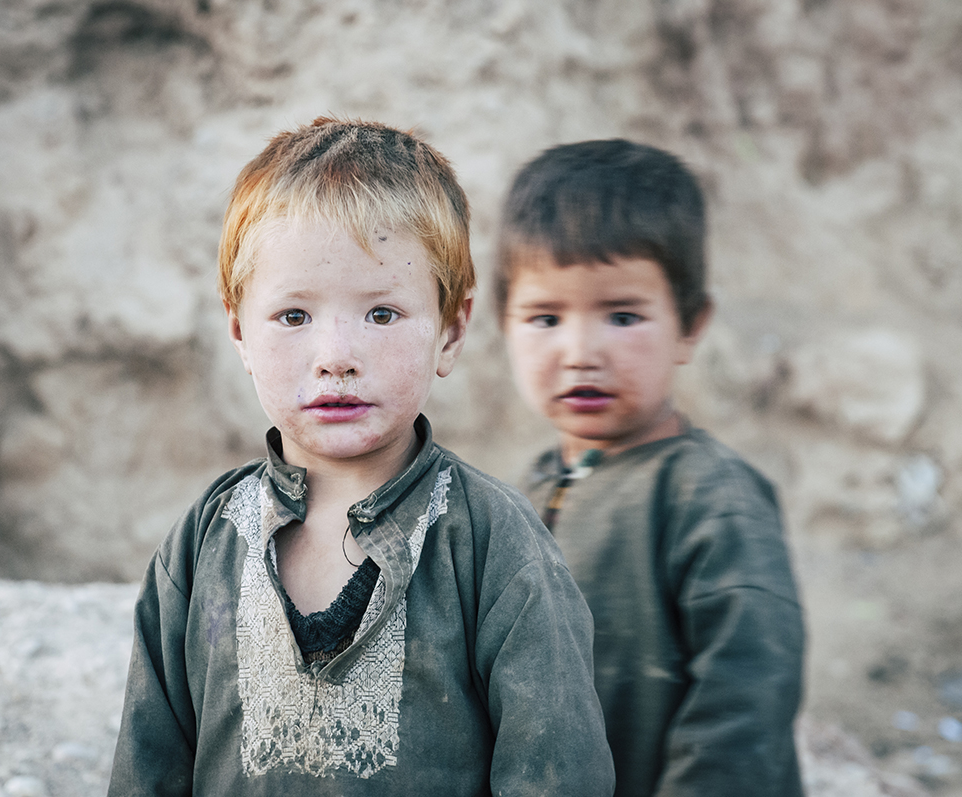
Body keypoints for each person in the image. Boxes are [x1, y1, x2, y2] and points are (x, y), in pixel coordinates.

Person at [108, 118, 616, 796]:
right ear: (240, 333)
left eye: (381, 313)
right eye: (294, 316)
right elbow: (148, 767)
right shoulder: (205, 543)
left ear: (451, 330)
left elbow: (557, 775)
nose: (336, 356)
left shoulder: (493, 544)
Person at [496, 138, 806, 797]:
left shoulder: (710, 499)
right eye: (545, 316)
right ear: (503, 324)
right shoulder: (523, 496)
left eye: (622, 315)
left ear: (690, 325)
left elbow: (745, 700)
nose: (581, 351)